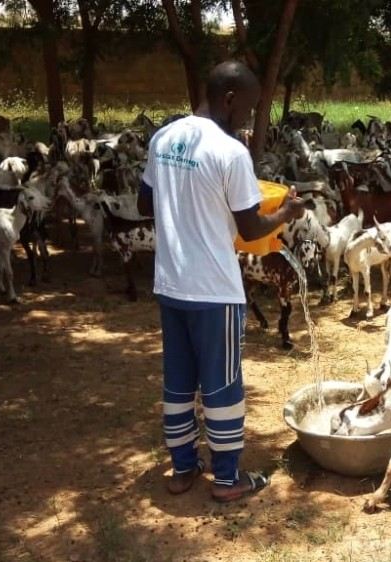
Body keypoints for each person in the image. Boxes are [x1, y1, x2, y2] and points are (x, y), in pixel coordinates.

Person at [138, 61, 306, 502]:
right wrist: (287, 211)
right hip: (214, 290)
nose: (248, 120)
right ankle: (228, 479)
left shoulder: (165, 137)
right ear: (229, 99)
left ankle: (182, 469)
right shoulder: (230, 153)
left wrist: (187, 210)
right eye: (248, 110)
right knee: (222, 384)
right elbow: (251, 231)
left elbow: (143, 202)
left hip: (171, 284)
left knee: (177, 381)